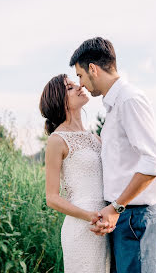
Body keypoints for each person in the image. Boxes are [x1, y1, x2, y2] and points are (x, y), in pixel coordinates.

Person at [69, 37, 156, 273]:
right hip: (124, 218)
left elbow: (154, 163)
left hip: (135, 217)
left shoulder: (129, 100)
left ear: (93, 69)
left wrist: (116, 208)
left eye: (80, 75)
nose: (80, 83)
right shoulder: (113, 107)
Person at [39, 74, 111, 273]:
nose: (79, 86)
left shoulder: (96, 138)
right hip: (82, 226)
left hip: (105, 224)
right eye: (70, 87)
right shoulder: (57, 140)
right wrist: (89, 215)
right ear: (60, 101)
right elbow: (52, 198)